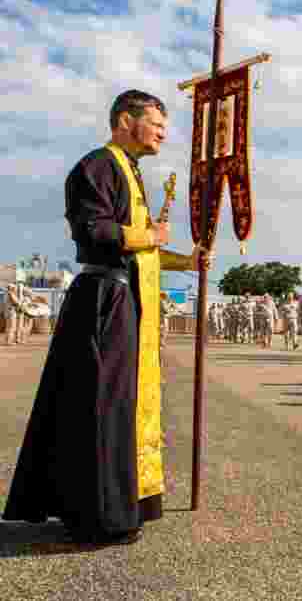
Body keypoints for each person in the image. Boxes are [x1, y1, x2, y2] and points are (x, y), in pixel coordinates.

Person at [4, 90, 212, 546]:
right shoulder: (96, 165)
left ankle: (119, 505)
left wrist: (185, 260)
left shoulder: (130, 172)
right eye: (155, 123)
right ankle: (97, 515)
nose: (162, 132)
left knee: (118, 406)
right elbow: (92, 230)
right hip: (103, 297)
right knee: (102, 405)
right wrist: (150, 234)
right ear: (124, 120)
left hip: (123, 297)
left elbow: (142, 248)